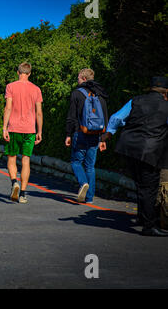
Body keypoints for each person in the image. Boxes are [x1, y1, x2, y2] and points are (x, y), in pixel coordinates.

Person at [101, 76, 168, 236]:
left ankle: (142, 218)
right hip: (149, 151)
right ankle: (149, 226)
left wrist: (108, 134)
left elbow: (116, 118)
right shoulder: (166, 106)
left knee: (140, 184)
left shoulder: (135, 101)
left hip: (128, 148)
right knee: (149, 188)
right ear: (166, 91)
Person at [65, 68, 108, 204]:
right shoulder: (100, 94)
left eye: (78, 78)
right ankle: (89, 198)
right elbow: (105, 117)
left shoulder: (77, 94)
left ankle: (83, 183)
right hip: (96, 134)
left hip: (80, 132)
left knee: (76, 162)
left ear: (83, 79)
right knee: (90, 166)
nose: (77, 80)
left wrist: (68, 134)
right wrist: (103, 138)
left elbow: (71, 117)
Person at [3, 62, 43, 203]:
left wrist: (4, 127)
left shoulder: (11, 87)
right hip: (30, 129)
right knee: (26, 160)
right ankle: (24, 194)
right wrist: (39, 131)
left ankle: (14, 182)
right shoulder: (36, 89)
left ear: (18, 72)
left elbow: (8, 108)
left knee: (12, 158)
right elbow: (39, 112)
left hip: (14, 128)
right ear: (30, 73)